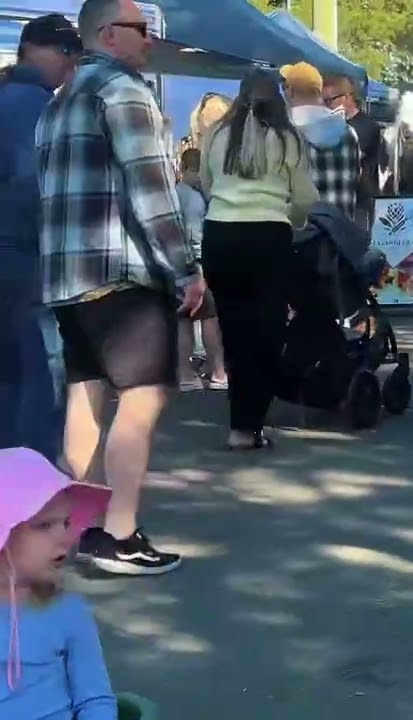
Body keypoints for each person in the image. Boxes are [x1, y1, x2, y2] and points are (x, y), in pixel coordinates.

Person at [39, 0, 205, 576]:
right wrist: (186, 268)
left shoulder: (56, 104)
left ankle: (75, 526)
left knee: (86, 397)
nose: (151, 42)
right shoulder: (125, 93)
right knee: (145, 395)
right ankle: (119, 533)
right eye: (143, 31)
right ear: (110, 35)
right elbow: (153, 193)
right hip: (121, 274)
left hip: (66, 278)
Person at [200, 67, 319, 451]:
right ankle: (251, 421)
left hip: (220, 234)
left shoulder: (216, 135)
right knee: (267, 332)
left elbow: (205, 182)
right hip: (268, 235)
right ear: (279, 97)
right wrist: (295, 220)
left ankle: (241, 423)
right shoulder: (288, 139)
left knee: (234, 333)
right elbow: (303, 198)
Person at [0, 14, 81, 461]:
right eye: (66, 53)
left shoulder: (7, 96)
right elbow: (38, 189)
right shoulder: (39, 107)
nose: (71, 65)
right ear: (38, 49)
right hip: (25, 260)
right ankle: (30, 495)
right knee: (34, 383)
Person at [0, 448, 116, 718]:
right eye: (43, 526)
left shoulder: (68, 612)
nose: (65, 538)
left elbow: (95, 700)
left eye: (65, 523)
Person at [174, 148, 228, 392]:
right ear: (191, 170)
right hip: (196, 265)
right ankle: (218, 370)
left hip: (176, 263)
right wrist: (201, 266)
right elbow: (196, 236)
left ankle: (186, 372)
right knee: (209, 317)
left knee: (183, 319)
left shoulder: (175, 194)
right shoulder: (195, 199)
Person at [281, 63, 361, 221]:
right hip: (341, 236)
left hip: (301, 237)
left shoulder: (286, 134)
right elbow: (355, 179)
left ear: (289, 92)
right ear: (318, 91)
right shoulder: (349, 133)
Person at [322, 74, 386, 227]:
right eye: (322, 101)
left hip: (359, 203)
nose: (325, 106)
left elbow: (349, 158)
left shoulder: (367, 126)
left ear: (347, 97)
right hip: (334, 200)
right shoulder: (331, 125)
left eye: (329, 100)